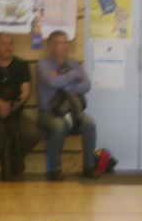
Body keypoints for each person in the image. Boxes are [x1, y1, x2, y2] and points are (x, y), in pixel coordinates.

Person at [36, 31, 98, 181]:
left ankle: (89, 167)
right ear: (51, 47)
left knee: (90, 124)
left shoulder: (74, 64)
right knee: (59, 126)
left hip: (73, 110)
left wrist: (65, 83)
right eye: (60, 43)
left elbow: (87, 85)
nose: (65, 46)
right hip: (49, 112)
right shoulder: (43, 64)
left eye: (66, 42)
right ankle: (55, 170)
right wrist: (73, 75)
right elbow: (52, 82)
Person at [0, 32, 41, 180]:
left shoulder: (21, 65)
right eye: (3, 43)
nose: (8, 47)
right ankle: (11, 161)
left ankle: (10, 160)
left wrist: (12, 106)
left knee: (33, 133)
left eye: (11, 43)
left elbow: (26, 93)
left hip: (15, 111)